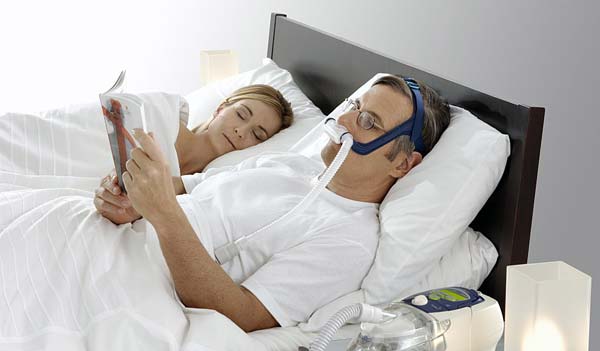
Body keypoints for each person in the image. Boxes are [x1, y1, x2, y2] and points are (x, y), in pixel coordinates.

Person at [94, 75, 450, 332]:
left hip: (138, 279)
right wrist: (130, 194)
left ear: (402, 164)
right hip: (114, 238)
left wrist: (163, 214)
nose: (342, 120)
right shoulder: (291, 164)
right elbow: (185, 188)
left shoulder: (350, 239)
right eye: (354, 106)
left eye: (368, 122)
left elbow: (242, 314)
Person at [95, 84, 294, 224]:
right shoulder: (163, 119)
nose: (240, 131)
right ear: (220, 108)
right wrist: (112, 189)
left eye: (257, 134)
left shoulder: (210, 188)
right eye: (241, 114)